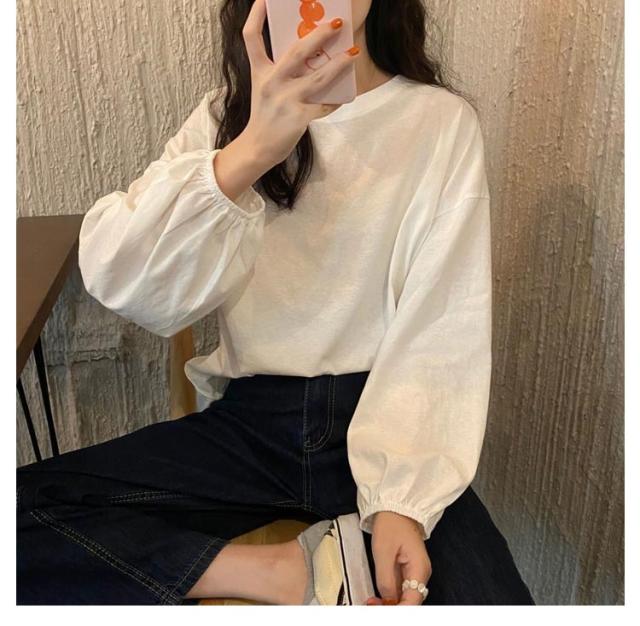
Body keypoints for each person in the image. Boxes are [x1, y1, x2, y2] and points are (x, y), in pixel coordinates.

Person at [16, 0, 535, 605]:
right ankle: (279, 572)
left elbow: (441, 328)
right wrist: (251, 150)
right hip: (249, 427)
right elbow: (122, 280)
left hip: (385, 418)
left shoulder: (438, 122)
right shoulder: (226, 117)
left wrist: (402, 504)